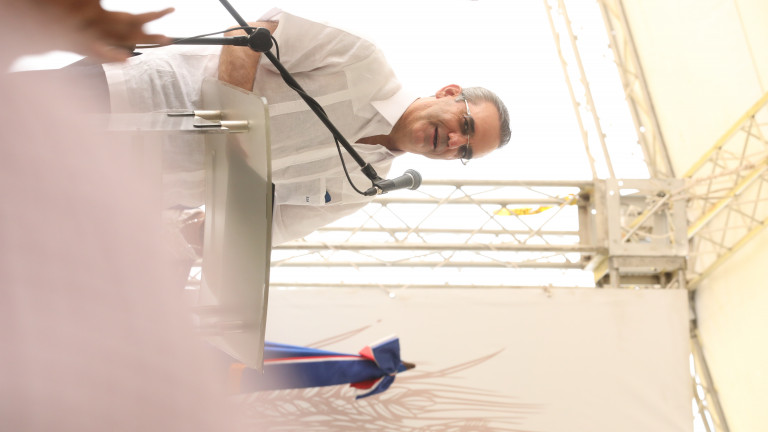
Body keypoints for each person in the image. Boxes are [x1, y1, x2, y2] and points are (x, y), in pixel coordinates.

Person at [101, 8, 512, 244]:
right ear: (448, 92)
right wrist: (232, 127)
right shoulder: (362, 59)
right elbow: (248, 35)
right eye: (466, 125)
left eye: (465, 151)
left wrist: (180, 238)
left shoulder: (363, 187)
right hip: (125, 100)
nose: (454, 141)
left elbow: (260, 230)